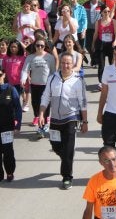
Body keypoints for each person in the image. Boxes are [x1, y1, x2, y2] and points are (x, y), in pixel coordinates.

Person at [39, 52, 88, 190]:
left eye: (68, 63)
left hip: (71, 118)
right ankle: (66, 158)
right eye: (63, 63)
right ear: (60, 64)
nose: (66, 66)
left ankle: (67, 177)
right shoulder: (52, 78)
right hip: (55, 119)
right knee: (55, 145)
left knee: (68, 149)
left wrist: (85, 122)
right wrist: (42, 114)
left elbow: (83, 102)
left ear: (72, 64)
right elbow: (45, 97)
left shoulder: (78, 80)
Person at [20, 37, 56, 138]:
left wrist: (54, 84)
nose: (39, 47)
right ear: (34, 46)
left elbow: (53, 72)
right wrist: (23, 79)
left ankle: (43, 126)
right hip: (35, 85)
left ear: (45, 47)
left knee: (45, 105)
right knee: (35, 105)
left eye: (42, 46)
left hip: (46, 86)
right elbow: (25, 70)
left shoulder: (50, 57)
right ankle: (39, 119)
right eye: (37, 45)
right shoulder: (30, 57)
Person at [83, 0, 105, 67]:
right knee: (88, 45)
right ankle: (93, 58)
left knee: (96, 45)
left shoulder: (102, 5)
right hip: (88, 28)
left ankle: (95, 61)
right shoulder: (85, 4)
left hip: (98, 29)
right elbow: (83, 16)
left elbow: (105, 16)